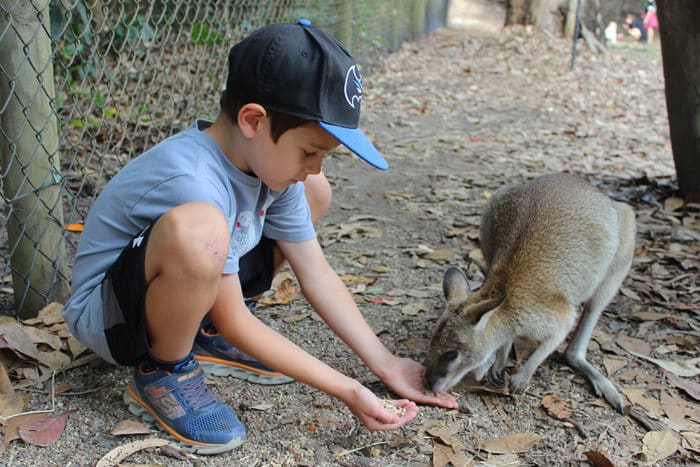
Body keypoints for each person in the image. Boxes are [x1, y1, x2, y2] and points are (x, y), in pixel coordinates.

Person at [62, 20, 457, 455]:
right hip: (113, 319)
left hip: (177, 286)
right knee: (203, 233)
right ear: (253, 120)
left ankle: (203, 331)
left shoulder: (268, 170)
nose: (314, 165)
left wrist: (384, 363)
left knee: (311, 192)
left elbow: (317, 274)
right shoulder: (192, 178)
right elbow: (237, 314)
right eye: (310, 152)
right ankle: (163, 370)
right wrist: (348, 391)